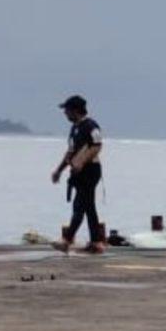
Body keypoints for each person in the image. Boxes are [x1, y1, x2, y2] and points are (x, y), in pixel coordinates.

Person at [50, 94, 106, 253]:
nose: (65, 113)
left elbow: (97, 145)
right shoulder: (74, 128)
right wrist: (59, 170)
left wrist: (82, 162)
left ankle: (67, 240)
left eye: (67, 110)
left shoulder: (91, 126)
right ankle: (96, 242)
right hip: (77, 172)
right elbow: (70, 151)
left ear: (75, 110)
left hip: (90, 170)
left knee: (79, 205)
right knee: (88, 207)